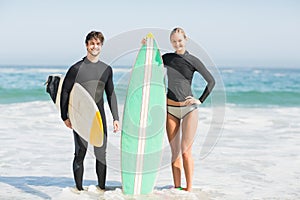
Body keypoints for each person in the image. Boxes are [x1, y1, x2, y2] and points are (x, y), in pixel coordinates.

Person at [60, 31, 120, 192]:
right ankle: (79, 190)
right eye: (92, 43)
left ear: (101, 46)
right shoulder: (76, 68)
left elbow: (111, 94)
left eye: (98, 44)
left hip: (98, 116)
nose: (95, 46)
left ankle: (101, 189)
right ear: (86, 45)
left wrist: (116, 117)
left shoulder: (106, 69)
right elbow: (65, 91)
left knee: (102, 154)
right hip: (80, 116)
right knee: (80, 153)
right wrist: (65, 116)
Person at [162, 28, 215, 192]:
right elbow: (149, 65)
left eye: (180, 40)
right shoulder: (166, 58)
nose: (177, 44)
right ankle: (177, 188)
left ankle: (189, 189)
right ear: (171, 42)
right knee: (174, 152)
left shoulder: (193, 60)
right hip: (170, 109)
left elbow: (211, 81)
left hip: (188, 110)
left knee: (185, 151)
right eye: (174, 41)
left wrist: (199, 100)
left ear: (185, 40)